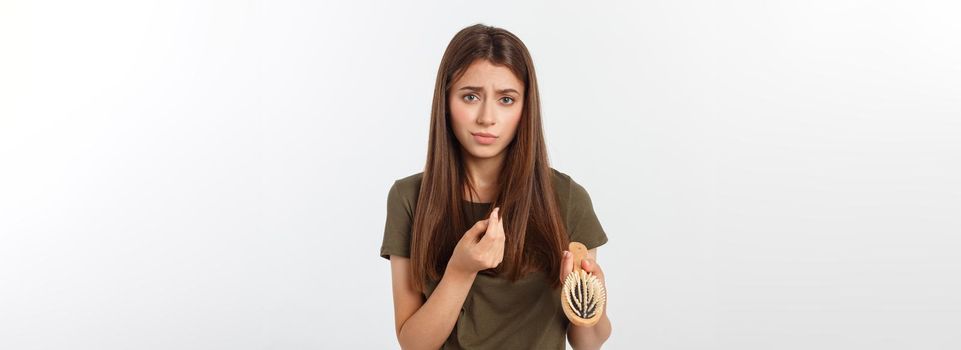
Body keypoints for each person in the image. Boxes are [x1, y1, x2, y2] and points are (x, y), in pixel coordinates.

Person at [379, 23, 612, 349]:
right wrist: (460, 271)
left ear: (524, 108)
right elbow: (414, 344)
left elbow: (588, 343)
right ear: (445, 101)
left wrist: (588, 302)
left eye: (506, 99)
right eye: (470, 96)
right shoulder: (409, 198)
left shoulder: (567, 199)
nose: (487, 117)